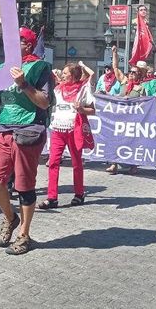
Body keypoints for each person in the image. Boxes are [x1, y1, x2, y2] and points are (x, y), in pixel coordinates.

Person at [0, 27, 52, 255]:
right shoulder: (1, 68)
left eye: (17, 41)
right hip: (4, 130)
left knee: (24, 186)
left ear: (28, 45)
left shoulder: (40, 67)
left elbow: (44, 102)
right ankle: (10, 218)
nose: (11, 45)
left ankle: (24, 234)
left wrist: (23, 84)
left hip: (29, 132)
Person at [38, 62, 95, 210]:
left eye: (65, 73)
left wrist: (81, 109)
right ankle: (52, 197)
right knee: (53, 162)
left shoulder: (83, 89)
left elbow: (93, 110)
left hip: (73, 130)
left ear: (74, 75)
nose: (63, 75)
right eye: (62, 73)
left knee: (77, 163)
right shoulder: (57, 90)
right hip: (58, 129)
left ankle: (79, 193)